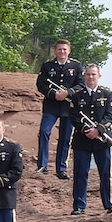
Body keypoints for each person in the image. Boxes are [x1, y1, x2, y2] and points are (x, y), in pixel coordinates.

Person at [69, 64, 112, 216]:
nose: (91, 77)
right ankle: (79, 205)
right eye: (88, 74)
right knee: (80, 173)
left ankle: (109, 204)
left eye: (93, 75)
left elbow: (110, 115)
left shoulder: (107, 93)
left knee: (106, 173)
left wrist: (99, 130)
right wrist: (86, 130)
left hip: (102, 140)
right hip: (82, 140)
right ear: (84, 76)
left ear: (99, 76)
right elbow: (73, 117)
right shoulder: (76, 95)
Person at [34, 39, 84, 178]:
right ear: (55, 51)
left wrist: (68, 92)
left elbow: (81, 85)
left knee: (65, 138)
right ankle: (42, 165)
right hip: (51, 105)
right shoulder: (47, 66)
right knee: (44, 132)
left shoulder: (76, 66)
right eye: (59, 49)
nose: (62, 52)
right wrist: (54, 94)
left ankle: (61, 169)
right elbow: (40, 84)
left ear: (69, 51)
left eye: (64, 49)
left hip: (68, 107)